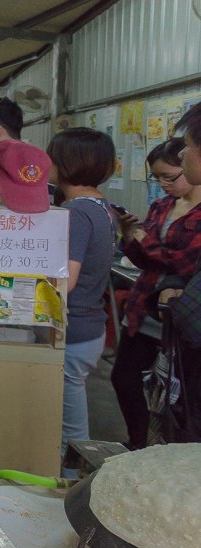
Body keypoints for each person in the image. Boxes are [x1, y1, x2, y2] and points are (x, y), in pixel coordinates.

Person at [110, 138, 201, 449]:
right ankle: (139, 442)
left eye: (169, 176)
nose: (163, 184)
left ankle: (169, 449)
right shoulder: (161, 206)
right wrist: (129, 234)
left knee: (177, 393)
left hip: (180, 316)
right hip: (143, 306)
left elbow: (187, 263)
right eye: (157, 178)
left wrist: (144, 239)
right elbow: (145, 260)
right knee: (124, 378)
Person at [46, 128, 116, 471]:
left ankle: (72, 487)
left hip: (74, 330)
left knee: (70, 430)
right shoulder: (101, 206)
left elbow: (66, 280)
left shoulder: (76, 213)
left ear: (66, 163)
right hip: (91, 327)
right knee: (69, 416)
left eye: (51, 156)